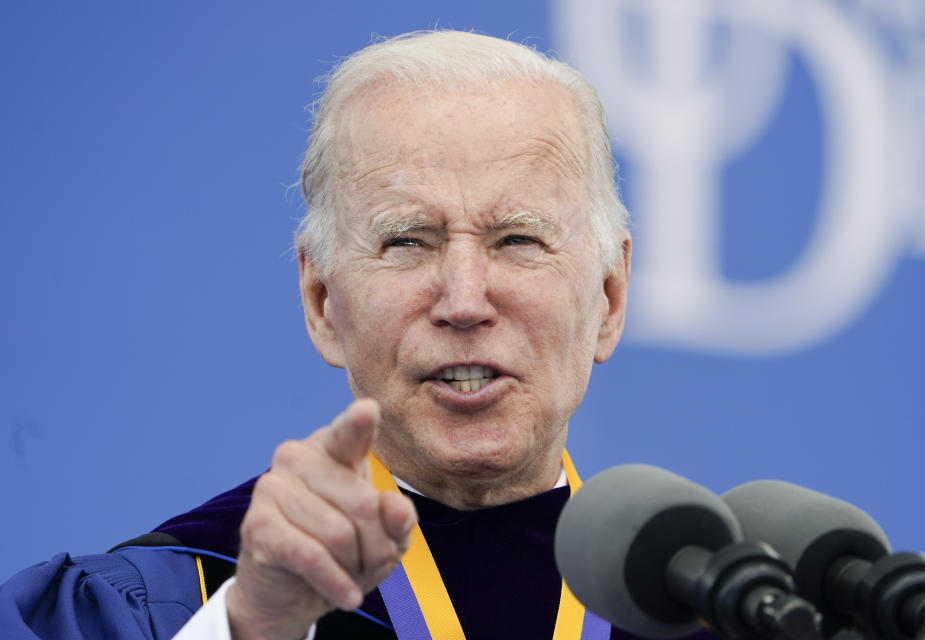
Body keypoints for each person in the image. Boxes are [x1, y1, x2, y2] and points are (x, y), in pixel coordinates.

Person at [0, 30, 708, 640]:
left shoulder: (718, 611)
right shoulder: (179, 598)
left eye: (517, 239)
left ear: (610, 298)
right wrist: (256, 627)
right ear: (321, 301)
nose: (464, 301)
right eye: (407, 242)